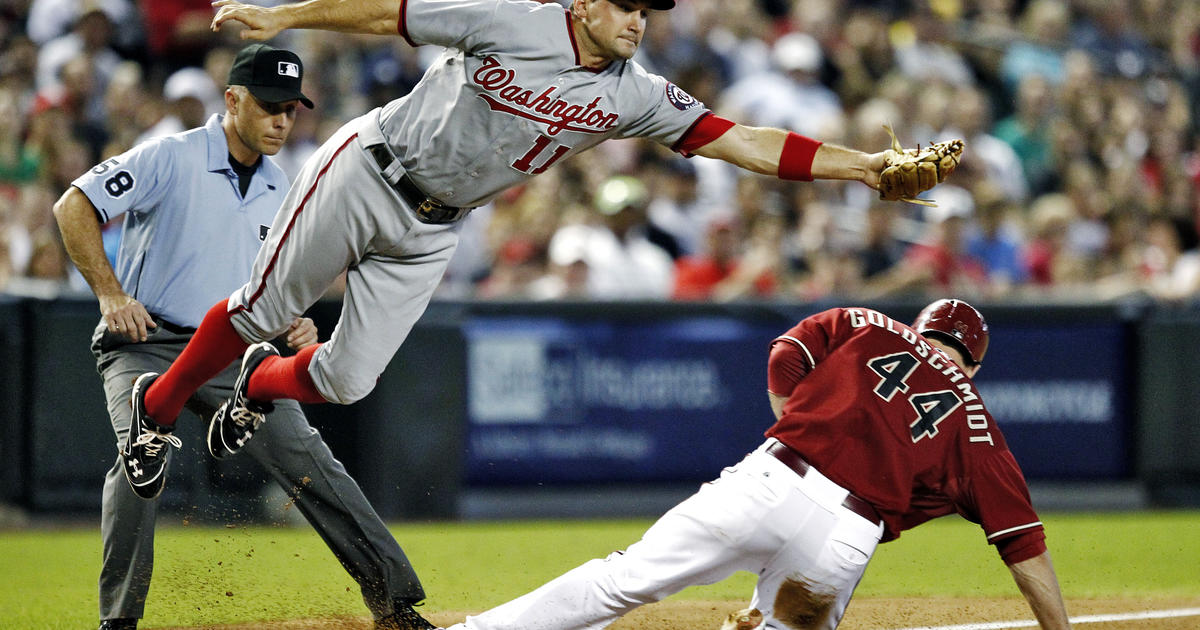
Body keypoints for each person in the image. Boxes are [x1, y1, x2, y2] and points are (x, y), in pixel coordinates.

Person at [122, 3, 927, 610]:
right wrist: (288, 15)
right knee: (261, 308)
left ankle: (255, 389)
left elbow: (741, 139)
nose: (639, 22)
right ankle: (157, 407)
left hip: (437, 226)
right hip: (371, 170)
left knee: (345, 381)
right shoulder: (514, 19)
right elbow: (389, 13)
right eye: (626, 6)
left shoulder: (635, 94)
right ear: (583, 4)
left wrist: (859, 168)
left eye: (648, 11)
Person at [53, 44, 431, 630]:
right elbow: (73, 204)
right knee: (137, 467)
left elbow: (273, 282)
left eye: (291, 109)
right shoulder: (170, 156)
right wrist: (110, 293)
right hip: (146, 343)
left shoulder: (285, 188)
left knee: (312, 463)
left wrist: (293, 320)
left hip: (232, 353)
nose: (283, 120)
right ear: (232, 99)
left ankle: (395, 606)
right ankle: (118, 623)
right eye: (270, 106)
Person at [439, 299, 1072, 630]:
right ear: (976, 364)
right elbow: (1024, 549)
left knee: (622, 580)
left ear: (920, 327)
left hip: (771, 478)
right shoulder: (976, 418)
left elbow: (786, 352)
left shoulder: (872, 324)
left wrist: (801, 422)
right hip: (848, 534)